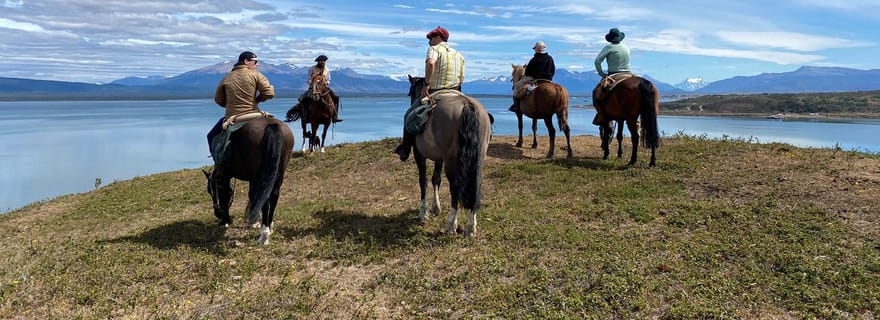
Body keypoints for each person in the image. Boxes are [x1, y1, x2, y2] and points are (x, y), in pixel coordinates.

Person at [393, 26, 465, 161]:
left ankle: (405, 148)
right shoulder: (459, 55)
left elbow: (431, 63)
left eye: (430, 38)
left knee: (409, 114)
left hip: (437, 91)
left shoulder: (434, 49)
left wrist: (426, 84)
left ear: (438, 37)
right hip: (456, 92)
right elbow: (462, 79)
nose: (429, 42)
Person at [207, 51, 274, 148]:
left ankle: (218, 160)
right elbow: (269, 93)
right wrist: (257, 100)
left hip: (233, 117)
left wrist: (232, 104)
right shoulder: (257, 75)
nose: (257, 64)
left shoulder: (227, 77)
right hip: (254, 113)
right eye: (255, 62)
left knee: (210, 136)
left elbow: (218, 99)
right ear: (246, 61)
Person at [592, 28, 631, 124]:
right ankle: (637, 122)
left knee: (596, 93)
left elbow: (597, 62)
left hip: (614, 74)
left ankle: (601, 115)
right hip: (629, 74)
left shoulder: (609, 47)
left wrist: (601, 74)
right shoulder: (626, 47)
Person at [509, 41, 555, 112]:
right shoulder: (550, 58)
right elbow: (553, 70)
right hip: (548, 80)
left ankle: (516, 106)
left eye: (535, 49)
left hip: (535, 79)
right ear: (544, 49)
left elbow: (528, 71)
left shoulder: (534, 59)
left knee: (517, 85)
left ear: (536, 49)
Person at [300, 55, 343, 123]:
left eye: (324, 61)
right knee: (303, 98)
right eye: (321, 61)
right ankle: (305, 115)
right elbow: (308, 79)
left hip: (324, 87)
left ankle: (335, 116)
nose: (323, 62)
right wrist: (313, 81)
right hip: (313, 87)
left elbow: (329, 79)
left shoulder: (327, 69)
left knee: (336, 97)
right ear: (318, 61)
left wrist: (326, 82)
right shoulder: (312, 69)